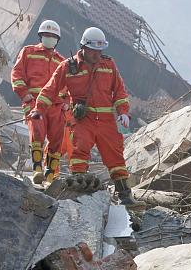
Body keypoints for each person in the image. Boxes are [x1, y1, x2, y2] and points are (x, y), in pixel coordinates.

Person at [36, 27, 134, 204]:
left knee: (115, 157)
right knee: (79, 152)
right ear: (83, 47)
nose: (97, 55)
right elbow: (50, 90)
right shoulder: (68, 66)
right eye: (93, 51)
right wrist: (39, 109)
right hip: (83, 120)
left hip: (106, 121)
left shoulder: (108, 65)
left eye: (100, 51)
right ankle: (79, 193)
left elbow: (119, 91)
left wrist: (123, 112)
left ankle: (125, 195)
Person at [11, 19, 66, 185]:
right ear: (41, 36)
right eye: (46, 35)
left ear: (57, 39)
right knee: (37, 133)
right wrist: (25, 94)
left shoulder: (61, 61)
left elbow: (68, 85)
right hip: (34, 102)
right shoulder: (28, 52)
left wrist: (66, 102)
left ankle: (50, 176)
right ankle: (37, 170)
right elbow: (17, 74)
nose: (49, 38)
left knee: (57, 140)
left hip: (56, 106)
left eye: (52, 36)